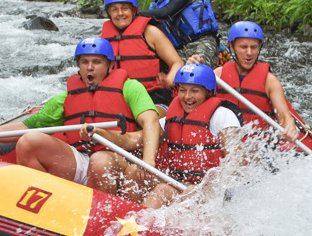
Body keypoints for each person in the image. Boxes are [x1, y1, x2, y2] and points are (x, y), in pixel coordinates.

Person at [0, 37, 161, 196]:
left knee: (99, 160)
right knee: (29, 141)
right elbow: (23, 128)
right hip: (81, 160)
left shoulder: (130, 88)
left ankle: (97, 220)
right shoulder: (65, 99)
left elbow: (151, 121)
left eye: (97, 62)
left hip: (118, 161)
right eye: (84, 62)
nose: (90, 67)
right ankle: (46, 207)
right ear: (78, 66)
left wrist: (149, 160)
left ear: (109, 66)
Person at [85, 63, 243, 207]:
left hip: (207, 191)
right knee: (134, 172)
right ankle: (123, 221)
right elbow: (131, 140)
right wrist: (100, 133)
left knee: (162, 191)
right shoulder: (170, 118)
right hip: (176, 182)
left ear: (208, 92)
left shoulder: (223, 116)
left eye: (195, 91)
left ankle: (135, 227)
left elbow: (237, 164)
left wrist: (205, 187)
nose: (187, 97)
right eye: (183, 90)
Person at [208, 21, 312, 150]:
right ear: (232, 47)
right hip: (226, 143)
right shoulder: (217, 76)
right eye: (243, 47)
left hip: (258, 147)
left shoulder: (270, 81)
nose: (249, 52)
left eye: (254, 47)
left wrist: (290, 128)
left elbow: (283, 116)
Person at [101, 0, 184, 117]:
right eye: (114, 9)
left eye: (124, 8)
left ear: (134, 10)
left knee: (147, 119)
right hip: (119, 98)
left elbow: (177, 63)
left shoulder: (150, 32)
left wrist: (169, 79)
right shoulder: (103, 39)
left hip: (154, 98)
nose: (120, 13)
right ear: (109, 13)